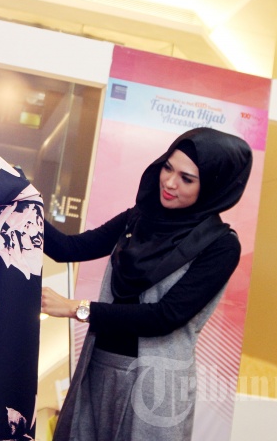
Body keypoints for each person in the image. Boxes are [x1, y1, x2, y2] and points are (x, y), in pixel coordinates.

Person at [40, 127, 253, 441]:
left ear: (212, 187)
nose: (169, 182)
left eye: (186, 179)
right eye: (168, 167)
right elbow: (69, 248)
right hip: (99, 366)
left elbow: (164, 316)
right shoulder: (139, 218)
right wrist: (21, 205)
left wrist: (77, 309)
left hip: (155, 388)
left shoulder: (221, 246)